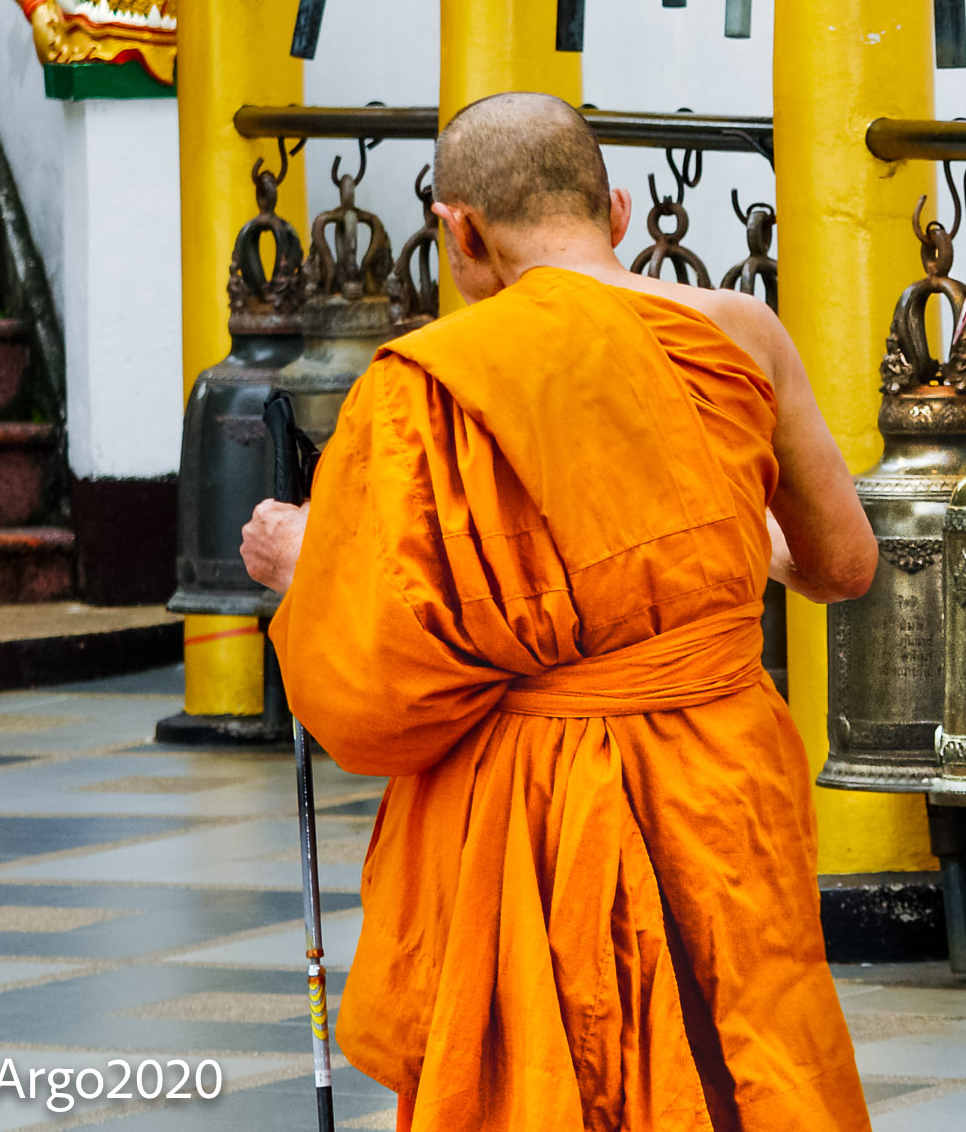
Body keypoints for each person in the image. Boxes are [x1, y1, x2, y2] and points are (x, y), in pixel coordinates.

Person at [240, 92, 878, 1132]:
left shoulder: (428, 384)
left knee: (548, 1078)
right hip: (722, 771)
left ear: (459, 229)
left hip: (537, 798)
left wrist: (308, 562)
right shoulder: (738, 331)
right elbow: (844, 564)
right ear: (616, 210)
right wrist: (718, 544)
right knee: (745, 1054)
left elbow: (380, 682)